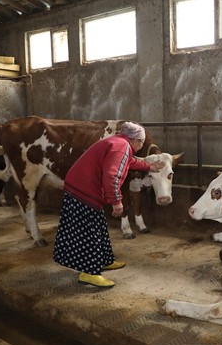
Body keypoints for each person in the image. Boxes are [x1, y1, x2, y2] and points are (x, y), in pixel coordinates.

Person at [53, 121, 164, 288]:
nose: (141, 146)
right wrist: (117, 202)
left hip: (82, 186)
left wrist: (149, 166)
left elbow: (130, 162)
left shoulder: (120, 143)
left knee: (99, 227)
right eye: (141, 142)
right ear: (135, 140)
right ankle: (89, 272)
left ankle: (104, 261)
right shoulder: (122, 147)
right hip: (83, 190)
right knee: (89, 232)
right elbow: (111, 176)